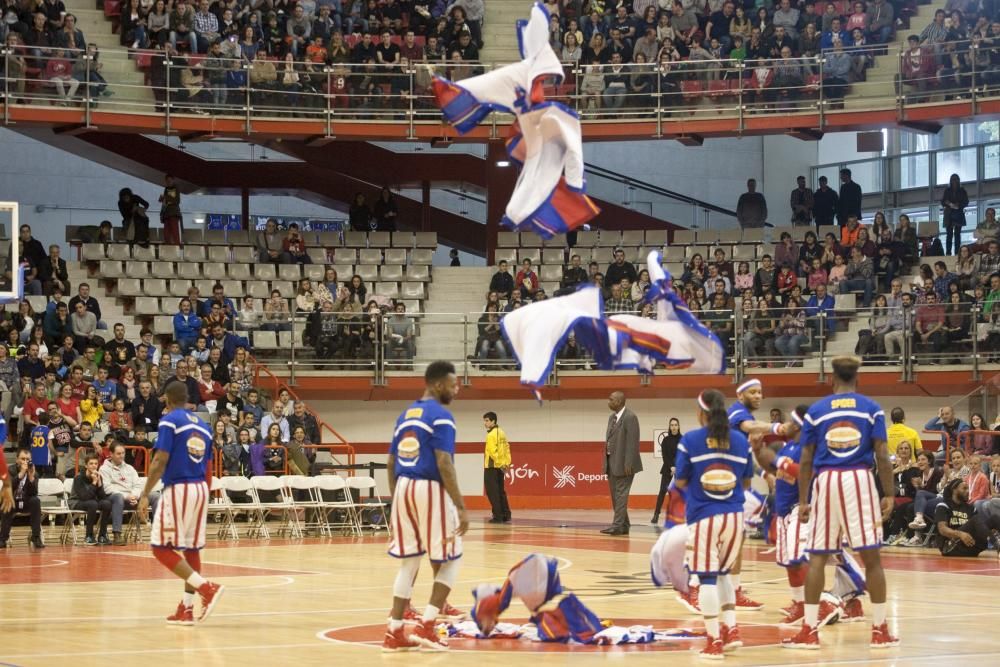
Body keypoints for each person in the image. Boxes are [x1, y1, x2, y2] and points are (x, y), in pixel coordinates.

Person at [784, 356, 898, 649]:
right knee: (871, 557)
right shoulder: (871, 408)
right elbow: (882, 454)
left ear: (832, 380)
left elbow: (806, 458)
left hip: (825, 481)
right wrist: (889, 492)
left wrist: (804, 499)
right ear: (857, 380)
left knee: (817, 557)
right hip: (859, 479)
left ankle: (808, 631)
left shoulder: (817, 411)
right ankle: (880, 629)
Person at [382, 361, 468, 652]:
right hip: (430, 487)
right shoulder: (442, 416)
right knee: (452, 558)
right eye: (454, 384)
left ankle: (394, 631)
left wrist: (396, 502)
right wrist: (461, 506)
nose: (456, 390)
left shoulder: (406, 414)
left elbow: (391, 462)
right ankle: (427, 625)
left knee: (410, 562)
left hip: (403, 486)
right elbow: (444, 462)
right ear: (438, 384)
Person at [673, 389, 753, 658]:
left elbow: (681, 481)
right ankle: (731, 630)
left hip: (704, 515)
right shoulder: (741, 440)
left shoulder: (691, 440)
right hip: (734, 515)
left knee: (706, 577)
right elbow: (746, 481)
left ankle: (713, 640)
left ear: (700, 413)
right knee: (723, 574)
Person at [137, 381, 224, 626]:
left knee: (160, 547)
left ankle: (207, 588)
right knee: (191, 549)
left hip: (179, 487)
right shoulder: (205, 427)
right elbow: (208, 467)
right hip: (200, 488)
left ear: (166, 398)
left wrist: (145, 493)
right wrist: (204, 495)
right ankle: (186, 608)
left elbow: (160, 459)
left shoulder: (170, 420)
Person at [601, 391, 641, 536]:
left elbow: (633, 442)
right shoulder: (612, 417)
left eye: (610, 399)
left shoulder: (630, 417)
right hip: (612, 463)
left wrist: (628, 462)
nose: (608, 401)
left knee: (621, 495)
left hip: (625, 465)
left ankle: (617, 525)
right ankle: (624, 524)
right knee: (615, 495)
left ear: (618, 401)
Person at [0, 448, 44, 549]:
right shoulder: (9, 471)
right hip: (12, 500)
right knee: (7, 502)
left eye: (27, 459)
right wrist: (21, 474)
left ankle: (36, 537)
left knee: (36, 501)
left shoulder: (33, 472)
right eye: (22, 459)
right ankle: (2, 539)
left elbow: (33, 493)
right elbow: (8, 488)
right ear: (17, 460)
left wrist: (31, 477)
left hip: (25, 501)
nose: (25, 462)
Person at [70, 454, 113, 545]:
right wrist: (94, 483)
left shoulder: (98, 476)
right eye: (91, 463)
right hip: (76, 501)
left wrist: (100, 483)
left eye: (96, 464)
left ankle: (102, 535)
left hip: (92, 501)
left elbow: (102, 497)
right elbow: (84, 497)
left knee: (107, 504)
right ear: (86, 465)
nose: (94, 466)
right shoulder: (78, 478)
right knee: (92, 504)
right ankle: (89, 536)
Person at [483, 411, 511, 524]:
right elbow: (507, 448)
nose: (485, 423)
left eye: (487, 421)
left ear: (493, 421)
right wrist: (506, 463)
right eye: (484, 421)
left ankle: (498, 516)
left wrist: (499, 463)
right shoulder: (502, 433)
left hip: (491, 467)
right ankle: (506, 514)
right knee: (500, 491)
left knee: (492, 492)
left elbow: (492, 452)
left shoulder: (490, 435)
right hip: (501, 467)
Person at [651, 417, 680, 524]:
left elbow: (682, 455)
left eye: (675, 425)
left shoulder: (682, 439)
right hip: (667, 469)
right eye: (672, 425)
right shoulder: (665, 440)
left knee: (680, 494)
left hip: (679, 470)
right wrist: (671, 467)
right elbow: (665, 456)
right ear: (669, 427)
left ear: (678, 426)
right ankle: (656, 515)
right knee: (662, 491)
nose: (673, 427)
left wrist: (677, 467)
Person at [940, 173, 969, 256]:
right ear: (951, 181)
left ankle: (957, 252)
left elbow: (966, 202)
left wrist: (958, 205)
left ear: (958, 181)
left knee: (957, 234)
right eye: (953, 180)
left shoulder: (962, 190)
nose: (954, 181)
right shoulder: (947, 190)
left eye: (956, 180)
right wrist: (949, 204)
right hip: (949, 214)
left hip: (958, 213)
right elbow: (943, 201)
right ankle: (948, 252)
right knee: (949, 234)